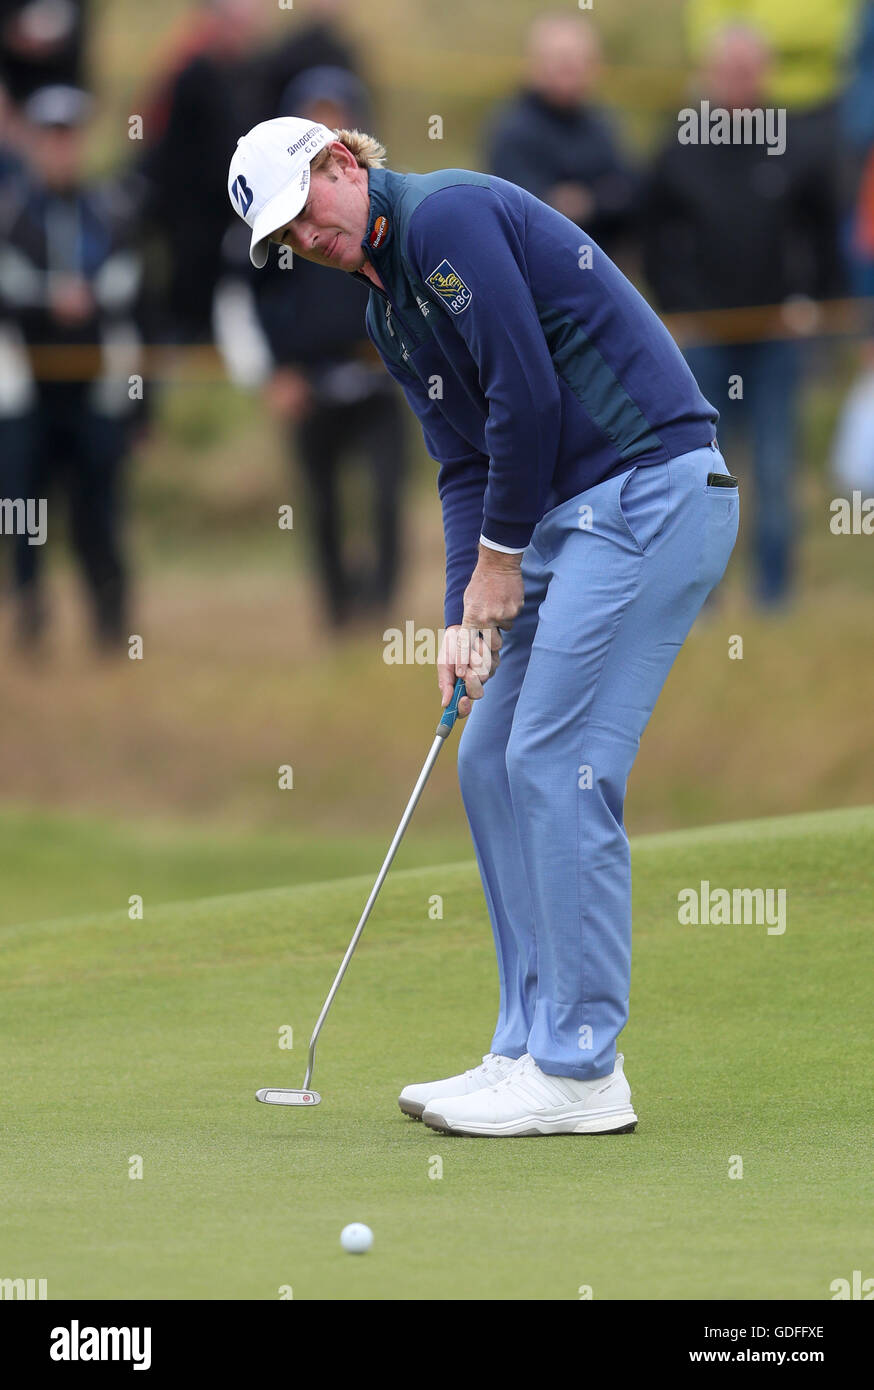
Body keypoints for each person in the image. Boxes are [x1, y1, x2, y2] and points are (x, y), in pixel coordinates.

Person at [227, 116, 738, 1137]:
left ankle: (583, 1068)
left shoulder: (445, 216)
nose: (307, 239)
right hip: (564, 521)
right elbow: (464, 465)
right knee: (489, 753)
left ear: (341, 161)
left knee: (557, 761)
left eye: (306, 212)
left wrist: (501, 565)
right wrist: (466, 610)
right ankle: (524, 1043)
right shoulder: (389, 315)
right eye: (285, 238)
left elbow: (526, 394)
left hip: (647, 493)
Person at [643, 24, 843, 607]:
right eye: (728, 70)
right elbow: (654, 235)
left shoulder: (793, 142)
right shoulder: (679, 146)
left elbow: (823, 233)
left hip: (777, 336)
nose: (738, 83)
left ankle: (774, 597)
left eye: (748, 70)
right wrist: (677, 307)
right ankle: (702, 597)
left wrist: (813, 301)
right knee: (703, 476)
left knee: (777, 468)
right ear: (711, 74)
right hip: (703, 340)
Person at [0, 84, 143, 651]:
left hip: (95, 392)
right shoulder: (12, 215)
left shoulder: (109, 211)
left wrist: (140, 405)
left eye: (70, 138)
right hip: (25, 393)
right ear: (33, 144)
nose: (61, 150)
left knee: (98, 508)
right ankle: (30, 615)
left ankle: (110, 619)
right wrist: (52, 302)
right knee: (24, 510)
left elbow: (132, 294)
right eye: (50, 138)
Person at [484, 11, 636, 259]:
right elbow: (522, 209)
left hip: (602, 272)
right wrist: (593, 201)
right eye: (559, 59)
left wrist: (588, 203)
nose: (569, 68)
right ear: (534, 63)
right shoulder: (512, 129)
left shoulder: (603, 125)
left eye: (578, 60)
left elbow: (629, 192)